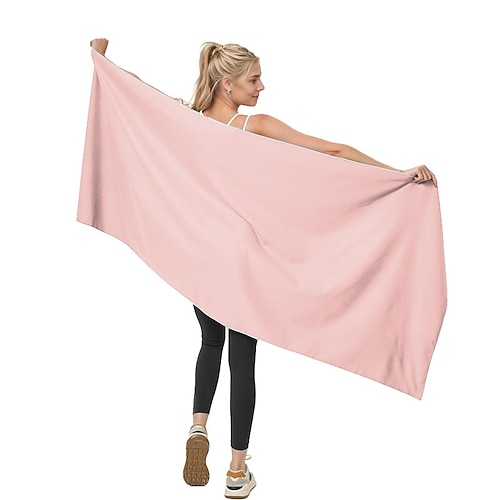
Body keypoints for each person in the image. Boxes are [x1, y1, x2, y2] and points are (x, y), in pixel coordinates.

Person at [89, 38, 438, 499]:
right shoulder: (254, 126)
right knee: (243, 361)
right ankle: (237, 471)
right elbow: (332, 152)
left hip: (200, 256)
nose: (261, 87)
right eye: (253, 79)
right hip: (242, 258)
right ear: (226, 84)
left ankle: (198, 427)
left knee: (209, 342)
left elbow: (137, 92)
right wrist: (396, 172)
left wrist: (102, 60)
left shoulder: (185, 120)